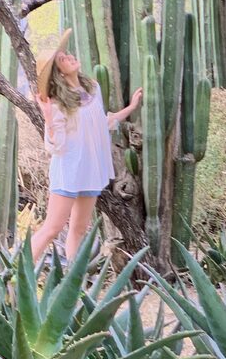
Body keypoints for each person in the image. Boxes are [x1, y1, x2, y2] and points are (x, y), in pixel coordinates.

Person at [30, 28, 143, 264]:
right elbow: (56, 146)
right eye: (62, 59)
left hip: (91, 170)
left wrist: (131, 108)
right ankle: (16, 276)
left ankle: (75, 283)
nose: (69, 57)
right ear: (58, 74)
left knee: (79, 229)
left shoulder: (92, 88)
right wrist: (48, 117)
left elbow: (102, 123)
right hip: (69, 170)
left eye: (67, 54)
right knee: (52, 228)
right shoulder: (59, 103)